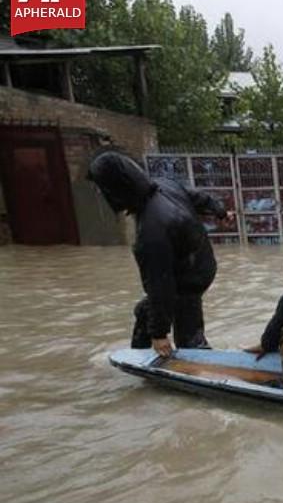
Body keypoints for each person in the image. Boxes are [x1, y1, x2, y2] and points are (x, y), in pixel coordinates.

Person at [87, 151, 233, 357]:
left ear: (115, 189)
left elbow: (160, 286)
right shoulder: (164, 185)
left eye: (102, 189)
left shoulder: (151, 232)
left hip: (189, 278)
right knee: (144, 312)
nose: (102, 195)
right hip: (201, 263)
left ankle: (203, 369)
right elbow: (198, 197)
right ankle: (142, 361)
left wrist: (160, 334)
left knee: (188, 336)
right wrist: (221, 211)